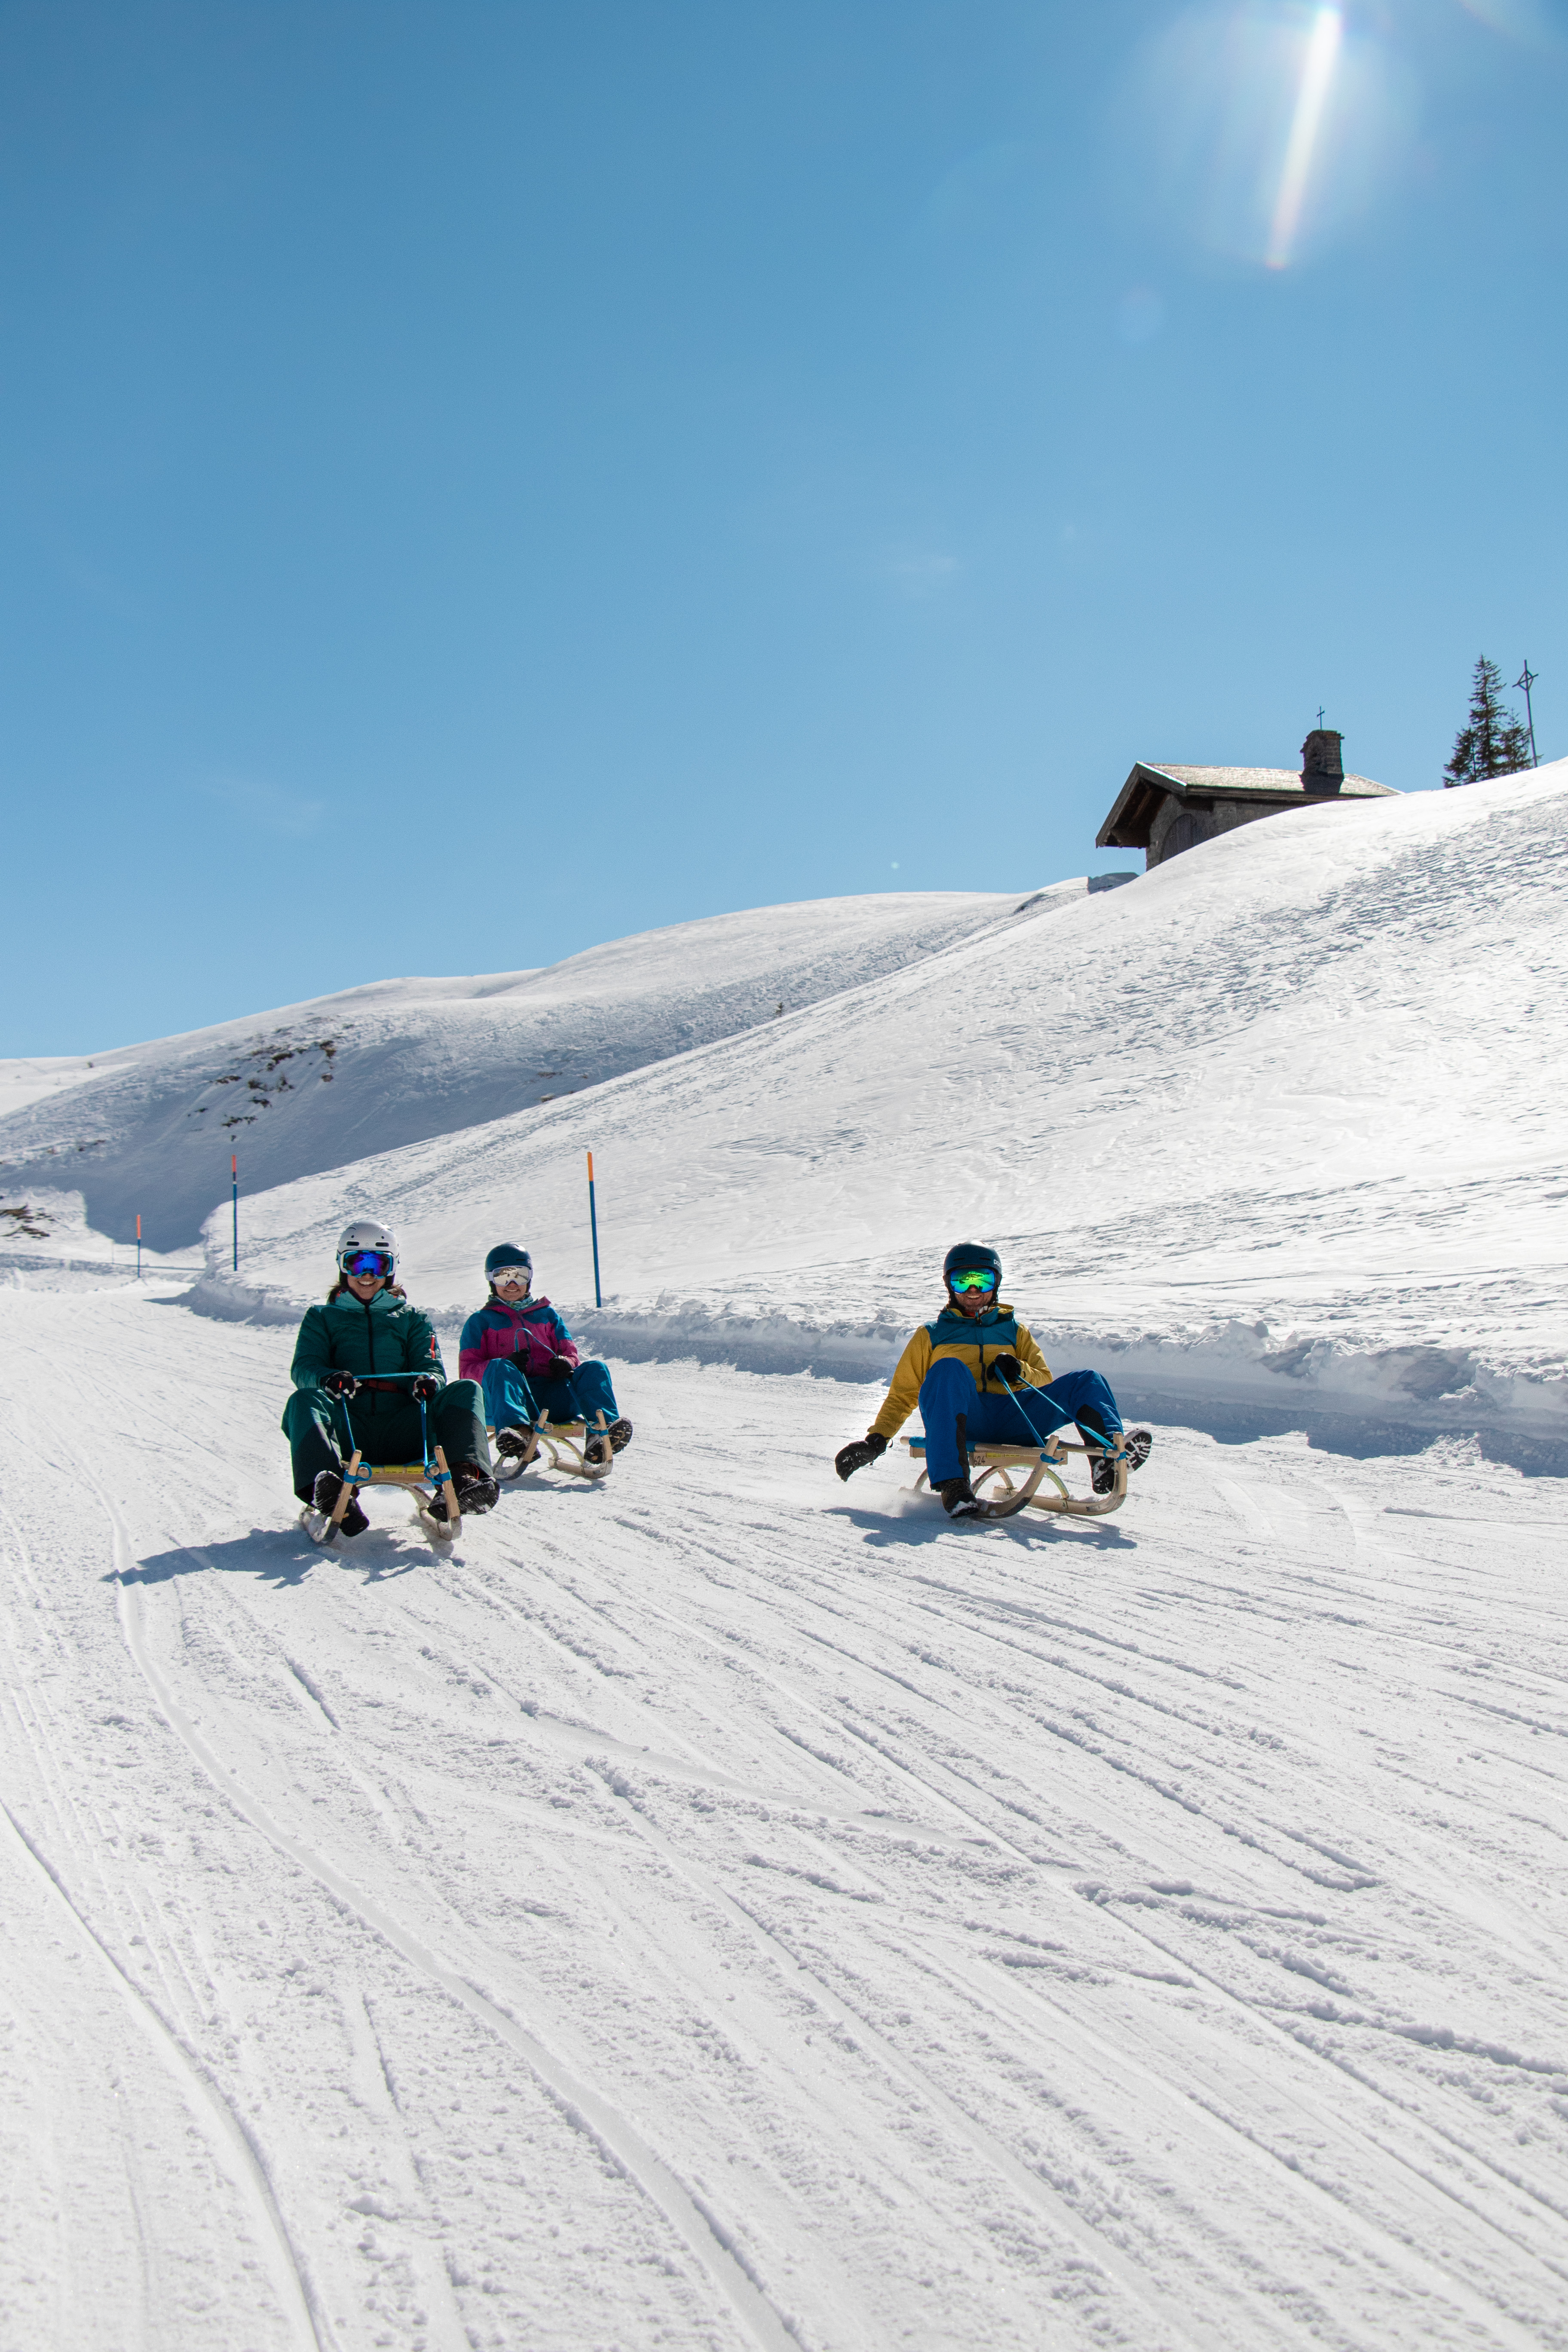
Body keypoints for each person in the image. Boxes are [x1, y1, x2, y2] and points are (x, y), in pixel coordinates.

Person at [834, 1241, 1152, 1519]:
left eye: (982, 1280)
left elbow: (1044, 1380)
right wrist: (876, 1440)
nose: (973, 1291)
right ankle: (955, 1486)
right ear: (950, 1287)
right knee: (948, 1369)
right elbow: (904, 1393)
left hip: (1019, 1417)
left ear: (995, 1284)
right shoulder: (931, 1335)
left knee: (1088, 1380)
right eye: (963, 1282)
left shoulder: (1015, 1331)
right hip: (967, 1421)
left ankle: (1107, 1462)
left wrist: (1020, 1370)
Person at [283, 1219, 498, 1536]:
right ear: (343, 1267)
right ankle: (328, 1491)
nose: (367, 1275)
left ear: (391, 1268)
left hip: (404, 1426)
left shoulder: (412, 1319)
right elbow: (304, 1366)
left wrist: (427, 1381)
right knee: (304, 1399)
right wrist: (327, 1377)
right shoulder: (322, 1317)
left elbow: (433, 1367)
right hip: (348, 1428)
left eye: (377, 1265)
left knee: (466, 1389)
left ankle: (464, 1481)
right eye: (357, 1264)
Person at [459, 1244, 633, 1468]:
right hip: (507, 1401)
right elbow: (467, 1372)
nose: (512, 1284)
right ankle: (518, 1434)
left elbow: (570, 1353)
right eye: (503, 1277)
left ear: (529, 1278)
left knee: (595, 1368)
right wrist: (504, 1365)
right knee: (501, 1368)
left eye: (520, 1276)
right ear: (491, 1281)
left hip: (552, 1401)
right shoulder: (480, 1322)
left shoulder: (548, 1316)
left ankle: (601, 1435)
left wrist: (566, 1364)